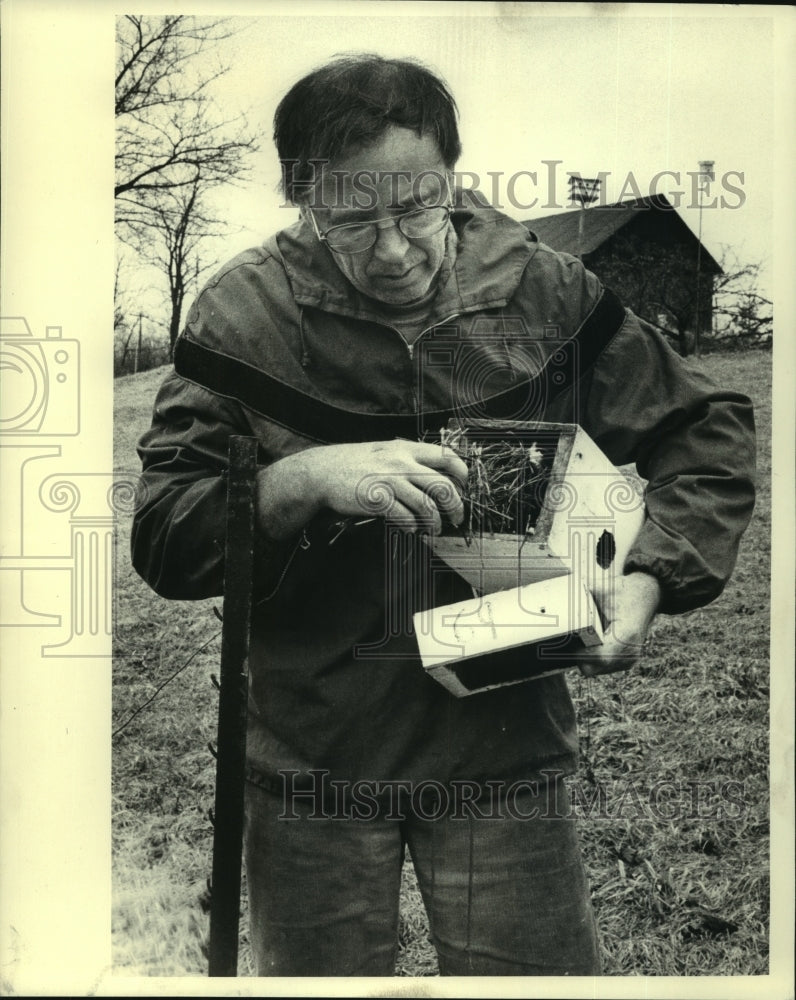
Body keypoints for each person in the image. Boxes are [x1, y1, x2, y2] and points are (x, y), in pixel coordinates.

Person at [131, 54, 756, 977]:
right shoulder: (242, 319)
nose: (394, 251)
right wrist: (302, 479)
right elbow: (167, 538)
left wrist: (650, 577)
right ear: (301, 198)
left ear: (452, 178)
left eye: (418, 208)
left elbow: (703, 428)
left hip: (502, 749)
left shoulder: (540, 291)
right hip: (314, 756)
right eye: (353, 219)